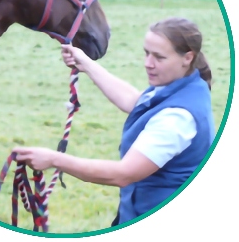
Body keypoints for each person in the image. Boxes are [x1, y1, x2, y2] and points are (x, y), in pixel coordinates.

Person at [13, 17, 215, 225]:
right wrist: (85, 63)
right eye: (146, 53)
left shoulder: (177, 118)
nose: (148, 64)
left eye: (159, 57)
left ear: (187, 57)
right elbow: (134, 100)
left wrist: (54, 160)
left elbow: (123, 174)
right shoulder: (185, 86)